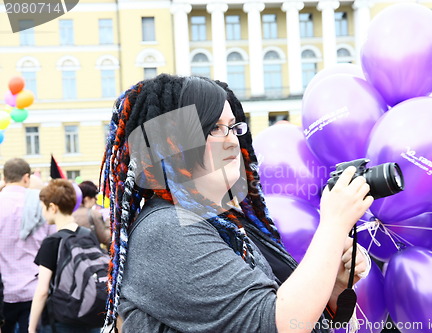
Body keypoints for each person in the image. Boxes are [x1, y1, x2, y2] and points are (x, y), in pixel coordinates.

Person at [100, 74, 373, 333]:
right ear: (173, 144)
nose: (231, 139)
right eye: (214, 128)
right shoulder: (166, 228)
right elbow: (276, 324)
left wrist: (335, 286)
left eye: (233, 127)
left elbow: (294, 316)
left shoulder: (223, 220)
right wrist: (334, 225)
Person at [28, 179, 101, 333]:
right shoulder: (88, 235)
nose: (42, 212)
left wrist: (31, 327)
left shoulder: (52, 242)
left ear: (53, 208)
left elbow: (42, 291)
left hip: (63, 320)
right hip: (91, 315)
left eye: (43, 207)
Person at [0, 158, 53, 333]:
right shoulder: (41, 205)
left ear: (5, 177)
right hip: (35, 289)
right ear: (26, 178)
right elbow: (52, 244)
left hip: (4, 290)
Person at [72, 180, 110, 248]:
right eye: (95, 197)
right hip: (91, 255)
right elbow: (105, 238)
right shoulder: (93, 214)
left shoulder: (69, 213)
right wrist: (108, 221)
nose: (96, 200)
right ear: (87, 198)